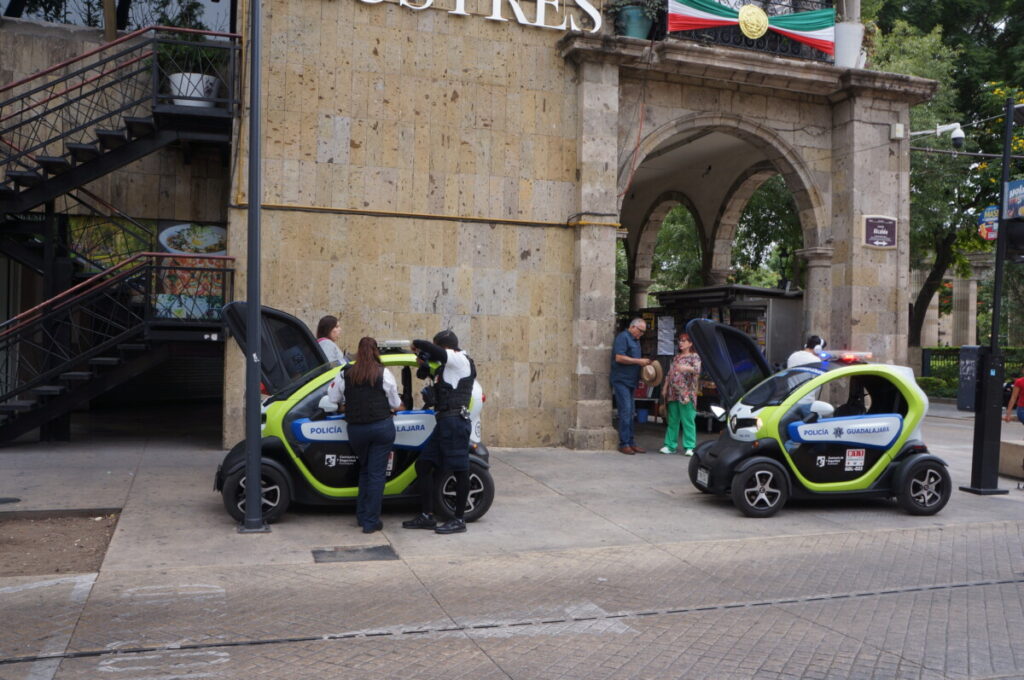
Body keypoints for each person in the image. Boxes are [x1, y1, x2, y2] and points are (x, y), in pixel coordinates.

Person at [402, 330, 476, 535]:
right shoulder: (448, 366)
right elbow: (432, 378)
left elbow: (432, 350)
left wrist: (417, 343)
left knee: (460, 470)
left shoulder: (459, 359)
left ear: (444, 347)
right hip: (444, 422)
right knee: (424, 465)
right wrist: (424, 365)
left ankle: (459, 519)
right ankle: (427, 515)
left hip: (455, 422)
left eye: (437, 347)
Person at [325, 337, 401, 534]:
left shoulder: (345, 373)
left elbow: (332, 398)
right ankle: (371, 522)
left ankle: (362, 516)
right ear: (376, 351)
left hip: (357, 431)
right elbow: (395, 403)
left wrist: (346, 405)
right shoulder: (384, 373)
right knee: (376, 475)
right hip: (381, 428)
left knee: (366, 470)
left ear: (358, 352)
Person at [611, 318, 652, 455]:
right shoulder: (623, 337)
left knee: (631, 412)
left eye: (643, 332)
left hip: (631, 381)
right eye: (640, 331)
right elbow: (619, 357)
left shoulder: (636, 340)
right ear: (633, 327)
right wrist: (638, 361)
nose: (641, 334)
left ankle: (631, 442)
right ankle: (624, 443)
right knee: (625, 411)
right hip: (621, 380)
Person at [660, 331, 701, 456]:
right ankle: (670, 445)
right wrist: (665, 387)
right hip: (673, 392)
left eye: (684, 341)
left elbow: (697, 370)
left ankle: (690, 446)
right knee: (672, 420)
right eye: (680, 340)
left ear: (690, 343)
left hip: (686, 393)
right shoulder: (677, 357)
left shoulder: (694, 356)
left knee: (688, 420)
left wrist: (686, 368)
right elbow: (669, 374)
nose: (681, 343)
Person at [1004, 365, 1024, 434]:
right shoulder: (1019, 382)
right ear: (1023, 371)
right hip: (1022, 409)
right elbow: (1013, 398)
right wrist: (1008, 414)